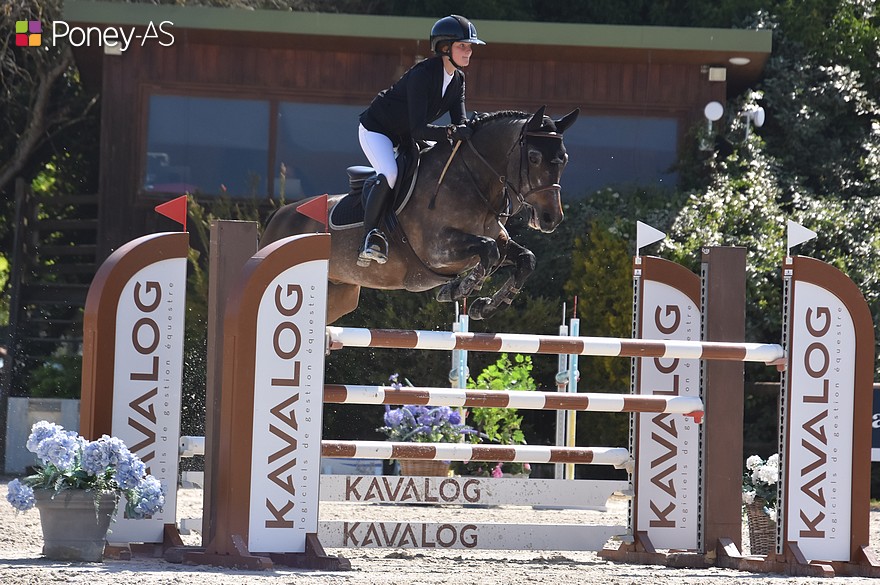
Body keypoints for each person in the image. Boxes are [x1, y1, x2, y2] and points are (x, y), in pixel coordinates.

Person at [356, 14, 485, 266]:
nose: (468, 51)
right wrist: (449, 132)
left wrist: (472, 129)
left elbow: (459, 123)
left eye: (470, 47)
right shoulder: (422, 75)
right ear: (444, 48)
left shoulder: (458, 80)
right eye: (462, 46)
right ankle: (369, 237)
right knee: (390, 173)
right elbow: (418, 130)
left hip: (406, 135)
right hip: (378, 130)